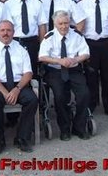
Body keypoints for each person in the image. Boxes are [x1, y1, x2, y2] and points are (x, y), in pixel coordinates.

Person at [0, 20, 39, 154]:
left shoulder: (21, 48)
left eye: (8, 30)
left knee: (32, 100)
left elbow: (28, 73)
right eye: (2, 30)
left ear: (13, 33)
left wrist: (17, 89)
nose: (5, 33)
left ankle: (22, 138)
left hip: (18, 84)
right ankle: (0, 140)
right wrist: (4, 92)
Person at [38, 10, 91, 141]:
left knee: (84, 94)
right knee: (60, 96)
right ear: (55, 24)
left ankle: (79, 127)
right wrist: (59, 60)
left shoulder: (77, 35)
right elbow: (42, 57)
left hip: (74, 69)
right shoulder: (49, 37)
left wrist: (75, 60)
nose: (64, 26)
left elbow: (86, 53)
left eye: (66, 23)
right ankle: (65, 129)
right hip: (55, 70)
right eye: (60, 23)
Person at [3, 0, 42, 75]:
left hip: (32, 42)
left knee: (32, 71)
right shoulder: (8, 4)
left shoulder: (37, 3)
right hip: (15, 42)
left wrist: (42, 47)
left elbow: (42, 26)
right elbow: (7, 26)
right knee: (16, 70)